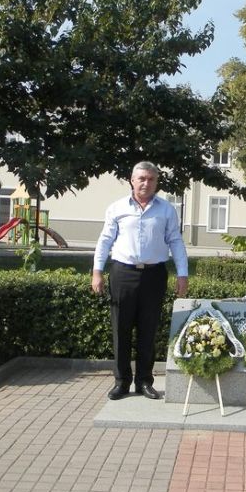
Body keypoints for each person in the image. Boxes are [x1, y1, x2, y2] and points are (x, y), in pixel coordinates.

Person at [92, 161, 188, 401]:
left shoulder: (166, 210)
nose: (146, 183)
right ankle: (121, 382)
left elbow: (175, 241)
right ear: (132, 180)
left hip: (154, 275)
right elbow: (105, 240)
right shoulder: (117, 208)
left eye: (151, 179)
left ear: (157, 182)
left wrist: (183, 274)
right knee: (121, 329)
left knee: (149, 329)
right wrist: (97, 271)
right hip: (123, 273)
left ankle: (144, 381)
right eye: (142, 178)